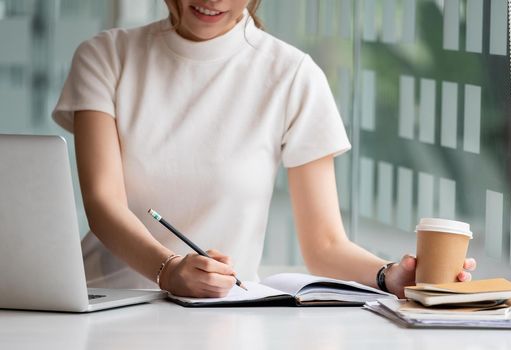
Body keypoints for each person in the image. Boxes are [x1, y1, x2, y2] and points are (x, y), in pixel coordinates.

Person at [52, 0, 475, 299]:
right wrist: (168, 271)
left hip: (219, 316)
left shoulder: (292, 76)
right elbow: (103, 202)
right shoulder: (106, 56)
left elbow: (325, 243)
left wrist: (388, 277)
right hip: (100, 303)